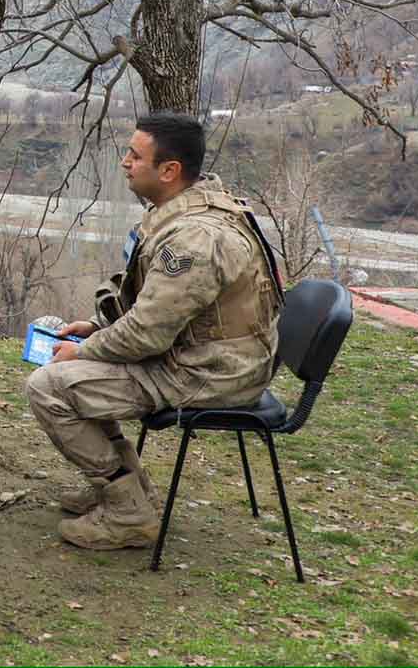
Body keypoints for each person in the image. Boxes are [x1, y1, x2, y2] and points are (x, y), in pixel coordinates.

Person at [24, 113, 282, 551]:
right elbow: (159, 307)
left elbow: (147, 335)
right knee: (77, 379)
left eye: (134, 155)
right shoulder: (189, 210)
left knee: (50, 387)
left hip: (210, 372)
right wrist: (98, 325)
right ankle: (127, 488)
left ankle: (129, 512)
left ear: (169, 171)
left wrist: (84, 351)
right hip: (212, 357)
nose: (125, 162)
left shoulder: (193, 238)